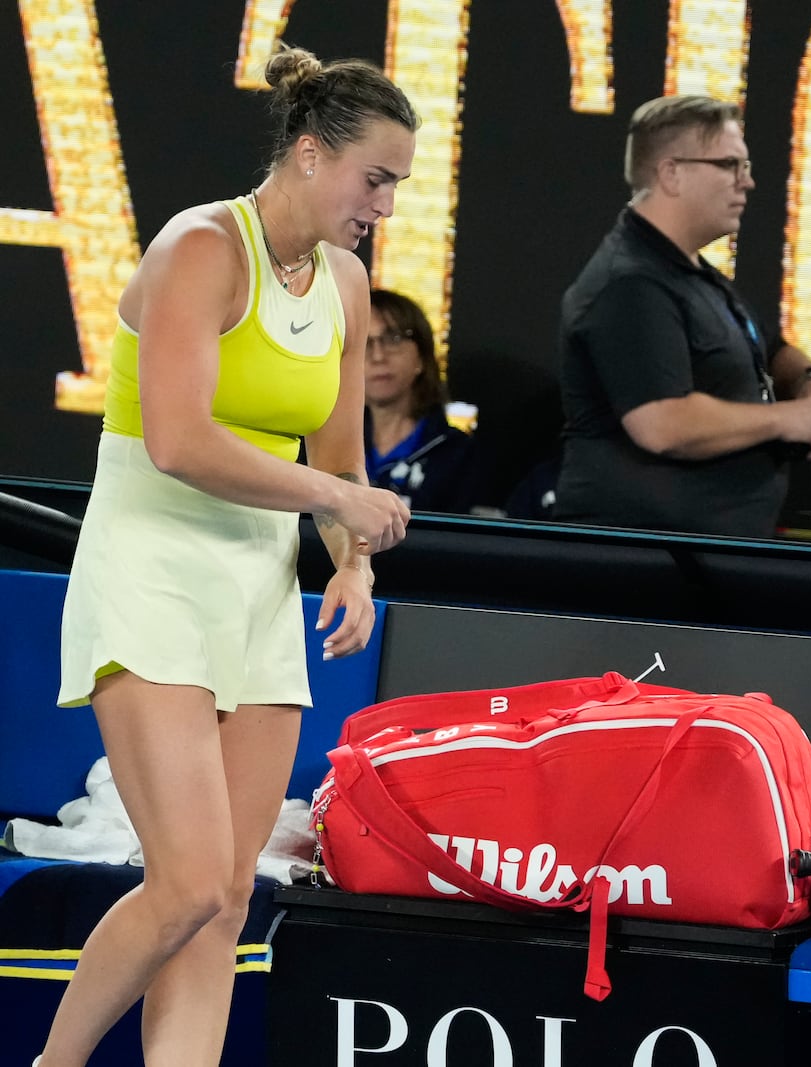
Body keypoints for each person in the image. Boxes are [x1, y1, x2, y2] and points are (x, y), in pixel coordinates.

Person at [41, 45, 415, 1067]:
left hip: (254, 596)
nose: (384, 204)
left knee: (232, 895)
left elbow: (341, 454)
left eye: (396, 185)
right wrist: (336, 499)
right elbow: (179, 440)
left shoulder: (342, 282)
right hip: (149, 577)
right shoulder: (201, 246)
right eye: (373, 177)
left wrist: (351, 562)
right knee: (189, 883)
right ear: (306, 154)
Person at [553, 94, 811, 537]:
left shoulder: (687, 271)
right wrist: (788, 417)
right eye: (731, 165)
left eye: (746, 167)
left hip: (695, 556)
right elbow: (663, 422)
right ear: (672, 173)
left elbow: (763, 348)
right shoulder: (630, 284)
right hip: (643, 562)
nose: (747, 182)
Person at [365, 287, 496, 514]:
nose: (378, 356)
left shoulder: (458, 455)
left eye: (392, 339)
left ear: (422, 357)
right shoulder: (321, 445)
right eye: (364, 343)